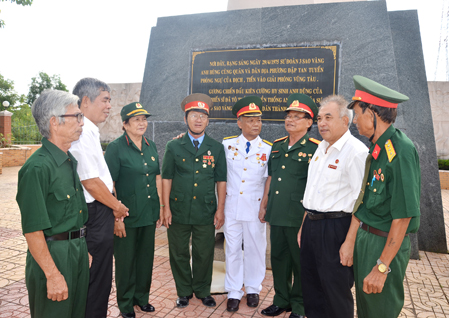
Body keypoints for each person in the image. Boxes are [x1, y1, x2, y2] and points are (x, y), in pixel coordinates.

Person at [347, 75, 420, 318]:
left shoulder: (400, 150)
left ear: (372, 113)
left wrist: (382, 266)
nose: (354, 120)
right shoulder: (377, 149)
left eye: (357, 113)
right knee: (366, 310)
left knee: (381, 311)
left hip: (384, 244)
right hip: (367, 240)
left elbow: (403, 216)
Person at [16, 90, 89, 317]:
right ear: (54, 123)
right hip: (53, 256)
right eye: (76, 116)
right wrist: (53, 275)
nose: (81, 122)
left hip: (76, 251)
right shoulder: (38, 168)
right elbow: (33, 230)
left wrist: (80, 247)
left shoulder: (68, 160)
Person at [298, 95, 368, 318]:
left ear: (345, 121)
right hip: (311, 226)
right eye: (319, 118)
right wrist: (303, 226)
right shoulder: (321, 148)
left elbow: (362, 202)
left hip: (337, 229)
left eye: (328, 117)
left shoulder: (356, 152)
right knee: (311, 288)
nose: (322, 123)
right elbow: (311, 192)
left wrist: (349, 242)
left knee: (335, 291)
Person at [69, 78, 129, 318]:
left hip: (100, 210)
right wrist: (117, 207)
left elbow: (100, 178)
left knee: (102, 275)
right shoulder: (81, 133)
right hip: (93, 212)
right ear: (85, 101)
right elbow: (90, 181)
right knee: (97, 276)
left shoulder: (90, 131)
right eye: (105, 100)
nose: (109, 106)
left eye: (110, 101)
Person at [161, 93, 227, 308]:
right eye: (194, 115)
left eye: (203, 116)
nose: (198, 120)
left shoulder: (216, 148)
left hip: (205, 210)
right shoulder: (174, 146)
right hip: (178, 209)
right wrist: (165, 207)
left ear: (208, 120)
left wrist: (220, 210)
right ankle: (183, 291)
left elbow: (221, 181)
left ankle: (202, 289)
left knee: (204, 252)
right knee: (179, 252)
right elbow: (167, 178)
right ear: (185, 119)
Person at [259, 93, 319, 318]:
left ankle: (300, 305)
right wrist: (264, 204)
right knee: (278, 259)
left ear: (309, 122)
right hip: (277, 213)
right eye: (288, 116)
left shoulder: (315, 148)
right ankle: (281, 300)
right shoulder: (277, 146)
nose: (290, 120)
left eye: (297, 116)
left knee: (300, 262)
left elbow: (315, 187)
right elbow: (272, 177)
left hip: (299, 216)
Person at [104, 102, 162, 318]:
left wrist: (160, 208)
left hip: (148, 213)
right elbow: (110, 185)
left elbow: (156, 177)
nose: (142, 123)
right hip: (126, 216)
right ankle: (126, 303)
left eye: (144, 119)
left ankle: (142, 298)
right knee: (126, 262)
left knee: (145, 259)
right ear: (125, 124)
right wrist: (116, 217)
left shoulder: (151, 145)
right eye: (136, 119)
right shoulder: (116, 148)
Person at [222, 96, 272, 312]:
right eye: (250, 120)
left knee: (255, 249)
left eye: (259, 120)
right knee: (232, 249)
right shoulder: (226, 145)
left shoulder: (269, 149)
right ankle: (234, 291)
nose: (256, 124)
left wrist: (265, 206)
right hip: (231, 207)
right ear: (239, 122)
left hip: (255, 208)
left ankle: (252, 288)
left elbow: (268, 180)